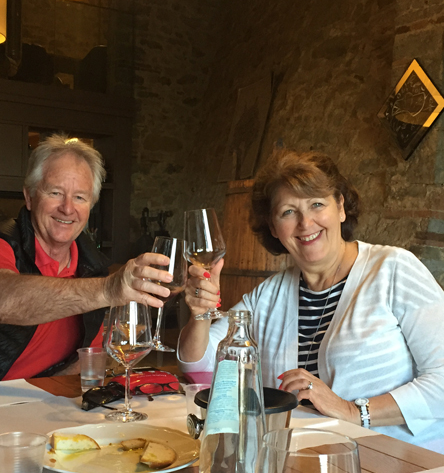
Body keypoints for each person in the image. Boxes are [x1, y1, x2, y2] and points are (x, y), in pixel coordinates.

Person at [178, 148, 444, 453]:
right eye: (288, 212)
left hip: (402, 463)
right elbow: (198, 365)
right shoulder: (269, 294)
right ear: (274, 228)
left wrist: (352, 411)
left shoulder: (393, 269)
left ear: (341, 208)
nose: (305, 223)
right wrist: (199, 314)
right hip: (309, 465)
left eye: (317, 204)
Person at [0, 134, 172, 386]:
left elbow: (87, 357)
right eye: (55, 192)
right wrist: (108, 289)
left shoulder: (93, 267)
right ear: (29, 197)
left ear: (91, 206)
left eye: (80, 197)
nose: (67, 208)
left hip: (37, 405)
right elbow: (1, 303)